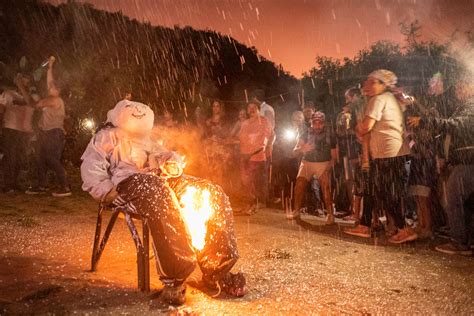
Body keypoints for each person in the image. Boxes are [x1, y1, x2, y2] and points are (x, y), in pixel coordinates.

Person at [81, 99, 246, 305]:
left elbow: (165, 155)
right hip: (127, 185)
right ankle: (175, 281)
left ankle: (217, 271)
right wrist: (105, 191)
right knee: (158, 193)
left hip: (159, 181)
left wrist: (171, 164)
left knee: (211, 192)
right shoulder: (107, 136)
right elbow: (91, 165)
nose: (138, 113)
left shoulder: (146, 139)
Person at [408, 76, 473, 255]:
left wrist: (424, 121)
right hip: (463, 160)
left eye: (462, 86)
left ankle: (460, 243)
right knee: (463, 201)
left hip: (468, 160)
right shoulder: (464, 106)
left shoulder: (470, 106)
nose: (458, 89)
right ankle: (466, 239)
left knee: (454, 199)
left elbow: (455, 126)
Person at [355, 69, 416, 243]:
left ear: (382, 84)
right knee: (376, 190)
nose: (366, 85)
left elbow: (366, 127)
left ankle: (403, 229)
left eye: (371, 81)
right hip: (391, 154)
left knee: (385, 193)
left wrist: (358, 126)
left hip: (389, 154)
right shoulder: (389, 99)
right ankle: (366, 225)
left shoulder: (379, 99)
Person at [26, 56, 71, 197]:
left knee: (52, 159)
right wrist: (50, 67)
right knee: (40, 158)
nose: (49, 87)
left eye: (51, 87)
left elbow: (33, 104)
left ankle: (65, 187)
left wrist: (23, 89)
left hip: (54, 133)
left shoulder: (54, 99)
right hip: (46, 133)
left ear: (57, 90)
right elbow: (50, 81)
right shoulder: (54, 95)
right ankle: (42, 185)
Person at [287, 111, 338, 224]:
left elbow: (334, 157)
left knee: (325, 186)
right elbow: (294, 151)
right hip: (307, 162)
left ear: (324, 123)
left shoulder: (330, 135)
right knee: (299, 183)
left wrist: (327, 170)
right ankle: (296, 211)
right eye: (315, 123)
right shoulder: (305, 134)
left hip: (323, 162)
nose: (317, 125)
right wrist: (301, 149)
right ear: (311, 123)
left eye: (320, 123)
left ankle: (330, 214)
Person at [0, 74, 35, 193]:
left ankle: (15, 183)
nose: (23, 80)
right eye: (20, 78)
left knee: (20, 157)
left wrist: (20, 86)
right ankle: (7, 184)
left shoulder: (32, 95)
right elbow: (1, 109)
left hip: (24, 131)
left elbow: (30, 103)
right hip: (10, 128)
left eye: (25, 78)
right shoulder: (7, 94)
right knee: (10, 156)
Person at [238, 100, 273, 214]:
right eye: (249, 108)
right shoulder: (245, 123)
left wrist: (253, 153)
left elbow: (266, 141)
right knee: (245, 182)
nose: (251, 110)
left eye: (254, 107)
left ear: (259, 110)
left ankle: (254, 205)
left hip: (257, 158)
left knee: (253, 182)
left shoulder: (264, 122)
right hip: (245, 157)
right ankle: (248, 204)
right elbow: (240, 139)